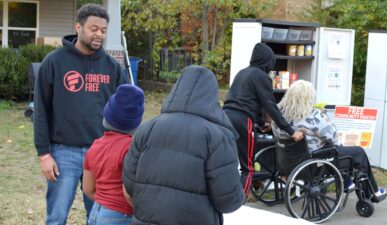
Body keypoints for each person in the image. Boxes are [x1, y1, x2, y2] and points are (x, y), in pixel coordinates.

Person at [33, 4, 126, 225]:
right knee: (56, 217)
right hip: (63, 152)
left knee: (98, 217)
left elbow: (124, 111)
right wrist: (44, 154)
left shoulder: (112, 68)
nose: (99, 34)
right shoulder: (54, 62)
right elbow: (41, 110)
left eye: (103, 30)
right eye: (94, 28)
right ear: (78, 27)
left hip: (101, 154)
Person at [122, 65, 245, 225]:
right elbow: (228, 200)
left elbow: (129, 184)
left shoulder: (147, 128)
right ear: (212, 96)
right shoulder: (218, 137)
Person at [272, 80, 386, 201]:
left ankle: (347, 182)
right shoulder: (313, 116)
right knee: (358, 152)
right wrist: (325, 118)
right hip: (314, 163)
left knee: (331, 146)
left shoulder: (278, 115)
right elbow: (333, 136)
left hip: (288, 162)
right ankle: (371, 192)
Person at [223, 43, 304, 196]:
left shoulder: (242, 73)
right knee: (247, 167)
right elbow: (270, 106)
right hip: (242, 121)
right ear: (268, 61)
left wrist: (260, 123)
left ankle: (225, 194)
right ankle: (239, 203)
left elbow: (242, 101)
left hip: (225, 117)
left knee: (228, 161)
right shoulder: (262, 77)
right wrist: (291, 131)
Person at [83, 84, 144, 225]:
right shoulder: (131, 149)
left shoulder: (95, 146)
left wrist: (106, 203)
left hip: (96, 213)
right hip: (121, 216)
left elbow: (87, 188)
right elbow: (128, 193)